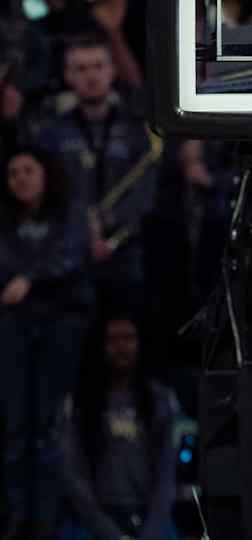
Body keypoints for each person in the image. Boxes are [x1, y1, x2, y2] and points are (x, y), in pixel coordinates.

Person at [0, 148, 91, 540]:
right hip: (14, 330)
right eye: (13, 172)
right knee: (17, 430)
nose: (20, 178)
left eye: (28, 170)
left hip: (59, 327)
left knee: (50, 430)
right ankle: (17, 518)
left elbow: (71, 256)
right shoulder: (4, 219)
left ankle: (47, 521)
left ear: (45, 173)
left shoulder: (69, 211)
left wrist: (30, 279)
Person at [36, 35, 158, 312]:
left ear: (112, 71)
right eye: (80, 69)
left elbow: (146, 190)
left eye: (97, 66)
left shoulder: (135, 129)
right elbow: (48, 191)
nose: (91, 76)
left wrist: (111, 231)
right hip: (67, 251)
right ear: (68, 76)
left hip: (125, 249)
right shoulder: (51, 133)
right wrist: (83, 227)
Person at [59, 315, 180, 540]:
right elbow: (74, 480)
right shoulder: (77, 403)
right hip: (95, 520)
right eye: (112, 340)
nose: (121, 347)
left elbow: (166, 479)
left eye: (128, 338)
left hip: (149, 517)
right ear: (100, 346)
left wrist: (149, 533)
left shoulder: (161, 400)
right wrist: (113, 535)